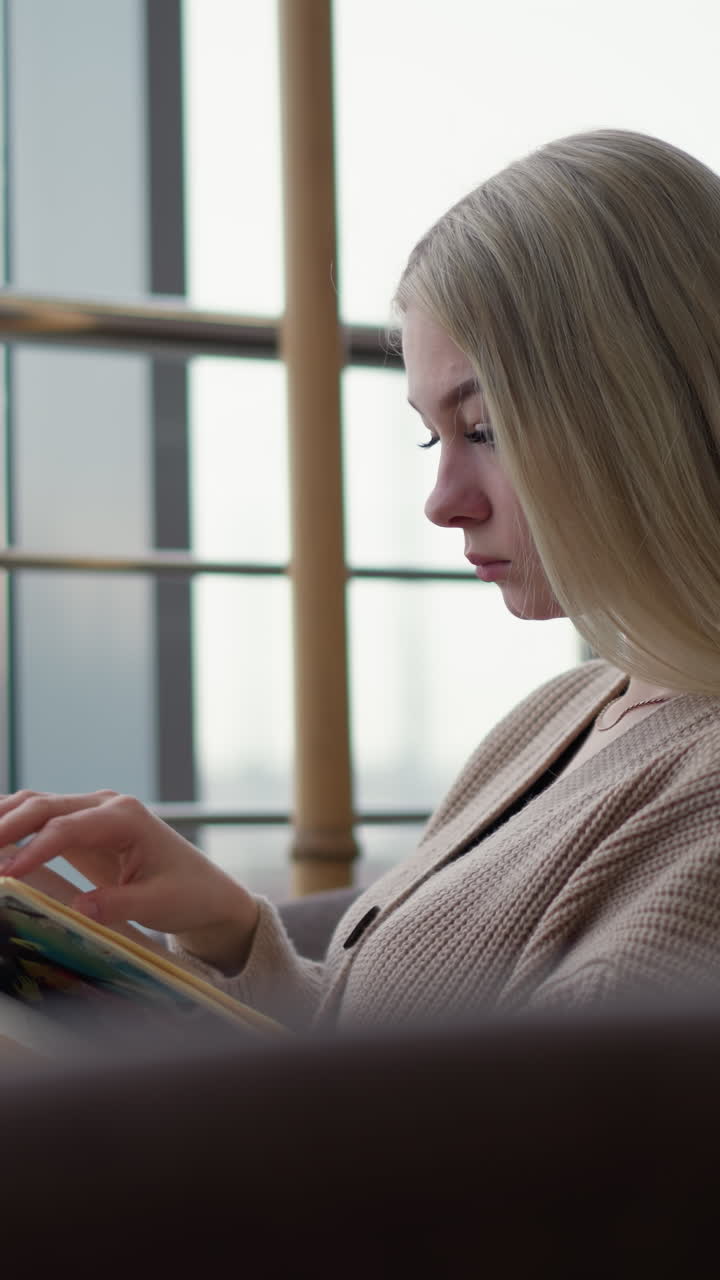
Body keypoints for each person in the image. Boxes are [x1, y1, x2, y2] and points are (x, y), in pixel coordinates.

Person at [2, 126, 720, 1028]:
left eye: (486, 429)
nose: (443, 501)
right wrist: (231, 930)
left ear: (645, 408)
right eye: (433, 435)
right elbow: (396, 1064)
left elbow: (519, 1155)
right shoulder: (565, 714)